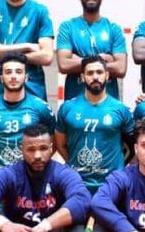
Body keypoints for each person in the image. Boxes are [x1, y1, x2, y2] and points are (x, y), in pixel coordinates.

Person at [56, 56, 135, 194]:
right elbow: (60, 144)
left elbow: (134, 146)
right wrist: (74, 166)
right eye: (90, 73)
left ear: (107, 75)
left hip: (111, 184)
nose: (95, 77)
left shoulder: (121, 109)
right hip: (77, 183)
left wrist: (120, 170)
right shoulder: (67, 108)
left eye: (99, 72)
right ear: (82, 77)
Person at [0, 52, 55, 179]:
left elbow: (51, 144)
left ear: (26, 77)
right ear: (1, 78)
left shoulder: (42, 108)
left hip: (29, 180)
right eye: (8, 72)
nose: (13, 76)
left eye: (18, 72)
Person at [57, 0, 127, 101]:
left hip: (108, 105)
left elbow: (121, 68)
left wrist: (80, 60)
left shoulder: (114, 29)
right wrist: (104, 59)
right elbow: (63, 65)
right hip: (76, 103)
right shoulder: (67, 27)